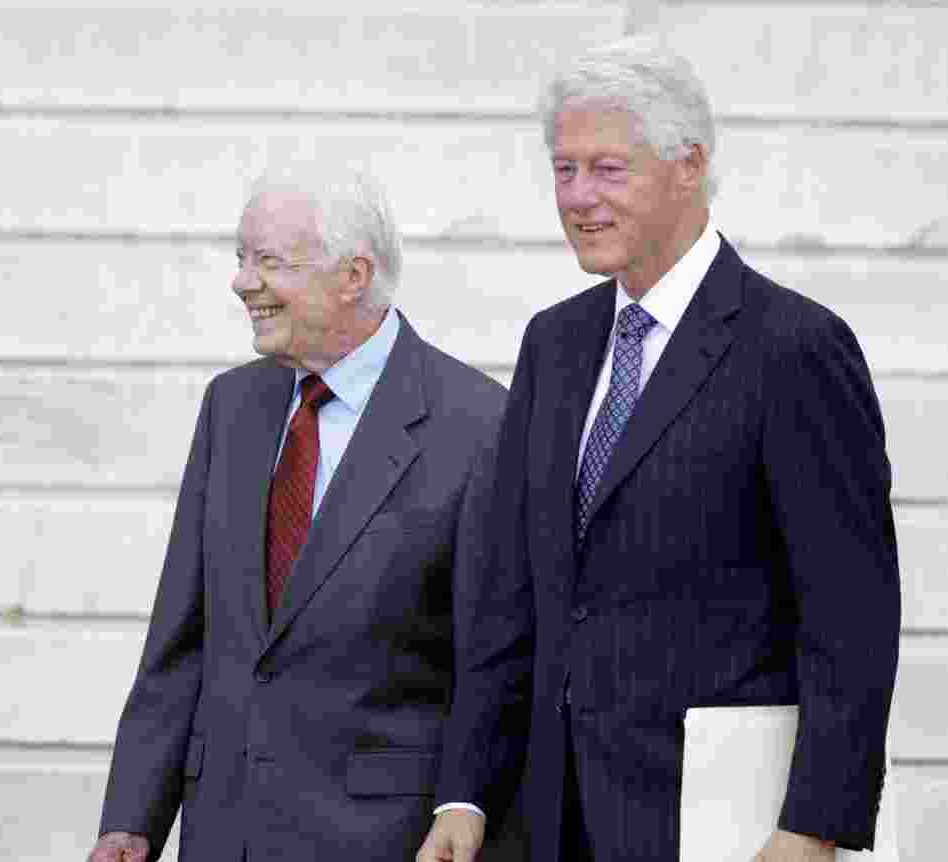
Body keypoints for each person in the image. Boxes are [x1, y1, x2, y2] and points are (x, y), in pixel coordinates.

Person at [419, 36, 900, 862]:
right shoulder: (554, 344)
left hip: (721, 821)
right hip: (553, 819)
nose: (577, 197)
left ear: (689, 166)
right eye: (563, 169)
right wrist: (463, 791)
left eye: (608, 169)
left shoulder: (794, 348)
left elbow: (850, 616)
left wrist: (815, 824)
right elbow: (510, 595)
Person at [87, 161, 512, 861]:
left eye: (268, 262)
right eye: (240, 257)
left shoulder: (476, 424)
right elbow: (181, 639)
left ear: (352, 275)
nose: (241, 281)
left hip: (378, 839)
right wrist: (131, 819)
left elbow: (490, 662)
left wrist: (464, 802)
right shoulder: (231, 407)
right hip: (224, 832)